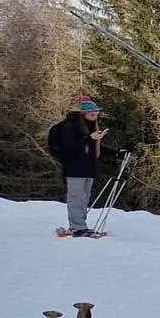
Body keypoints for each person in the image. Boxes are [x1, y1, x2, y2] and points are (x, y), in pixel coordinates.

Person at [46, 94, 106, 237]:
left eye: (97, 113)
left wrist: (116, 152)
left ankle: (81, 225)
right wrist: (89, 138)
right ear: (84, 114)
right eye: (92, 114)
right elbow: (71, 145)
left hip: (88, 168)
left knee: (84, 197)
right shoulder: (70, 125)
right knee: (76, 197)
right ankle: (77, 226)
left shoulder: (91, 126)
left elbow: (93, 148)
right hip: (74, 168)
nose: (95, 116)